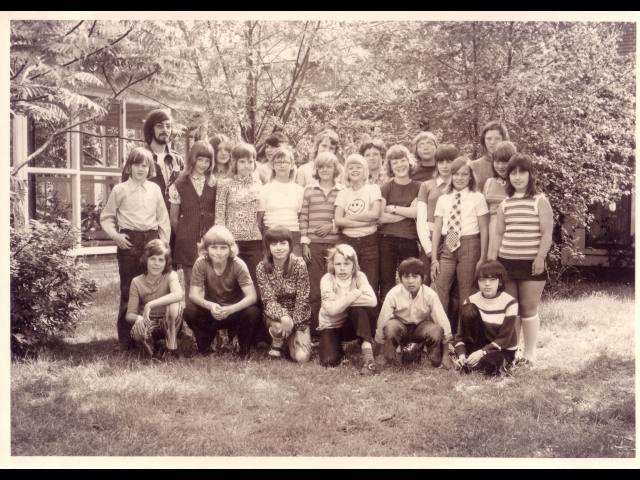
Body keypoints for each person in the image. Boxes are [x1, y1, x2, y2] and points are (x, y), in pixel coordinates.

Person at [101, 147, 171, 351]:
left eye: (145, 165)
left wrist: (163, 245)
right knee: (128, 288)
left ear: (150, 168)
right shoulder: (120, 189)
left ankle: (153, 333)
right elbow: (106, 217)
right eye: (137, 164)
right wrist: (115, 235)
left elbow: (163, 219)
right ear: (129, 167)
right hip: (129, 241)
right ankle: (125, 338)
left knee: (154, 287)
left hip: (151, 239)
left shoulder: (155, 189)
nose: (141, 169)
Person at [489, 153, 552, 367]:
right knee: (511, 309)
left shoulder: (540, 201)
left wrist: (540, 257)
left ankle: (530, 354)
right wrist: (492, 261)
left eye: (522, 172)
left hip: (532, 263)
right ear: (507, 177)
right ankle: (511, 352)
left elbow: (546, 234)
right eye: (513, 173)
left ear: (531, 175)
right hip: (507, 263)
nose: (517, 177)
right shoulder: (505, 204)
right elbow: (498, 234)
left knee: (528, 309)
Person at [431, 157, 489, 335]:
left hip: (470, 245)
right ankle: (439, 334)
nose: (460, 178)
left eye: (464, 174)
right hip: (447, 246)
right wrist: (434, 258)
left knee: (467, 291)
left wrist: (482, 258)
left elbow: (484, 229)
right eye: (456, 174)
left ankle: (462, 337)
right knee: (439, 288)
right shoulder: (444, 199)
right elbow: (437, 229)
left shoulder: (477, 198)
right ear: (451, 175)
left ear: (471, 177)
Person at [183, 226, 261, 357]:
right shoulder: (201, 263)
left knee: (253, 312)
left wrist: (230, 309)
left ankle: (240, 344)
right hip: (213, 312)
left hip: (234, 312)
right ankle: (209, 343)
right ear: (206, 249)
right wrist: (210, 306)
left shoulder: (238, 264)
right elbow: (193, 295)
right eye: (214, 247)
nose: (218, 252)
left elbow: (252, 296)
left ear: (231, 249)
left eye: (223, 248)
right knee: (190, 311)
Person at [122, 109, 184, 263]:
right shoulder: (138, 158)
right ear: (151, 129)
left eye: (168, 126)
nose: (165, 130)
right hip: (146, 230)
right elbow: (125, 195)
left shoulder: (177, 160)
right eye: (160, 126)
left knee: (168, 276)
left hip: (172, 228)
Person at [375, 258, 453, 368]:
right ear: (400, 278)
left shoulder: (430, 295)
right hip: (401, 327)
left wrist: (446, 355)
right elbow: (382, 321)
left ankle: (433, 359)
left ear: (423, 278)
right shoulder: (393, 294)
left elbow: (442, 322)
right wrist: (381, 353)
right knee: (390, 326)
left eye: (415, 277)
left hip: (421, 328)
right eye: (406, 277)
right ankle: (390, 358)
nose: (410, 281)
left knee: (436, 329)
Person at [299, 152, 346, 336]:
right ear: (316, 169)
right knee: (315, 288)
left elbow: (345, 218)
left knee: (335, 286)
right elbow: (303, 217)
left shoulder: (342, 190)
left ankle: (334, 330)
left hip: (335, 246)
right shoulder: (309, 190)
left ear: (336, 169)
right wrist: (304, 244)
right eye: (321, 166)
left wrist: (332, 226)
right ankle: (316, 331)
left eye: (329, 166)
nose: (325, 170)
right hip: (314, 246)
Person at [168, 140, 216, 306]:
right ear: (192, 159)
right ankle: (193, 324)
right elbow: (174, 219)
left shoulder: (214, 183)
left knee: (212, 284)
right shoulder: (179, 184)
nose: (203, 164)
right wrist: (185, 234)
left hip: (211, 243)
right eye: (200, 159)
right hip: (188, 242)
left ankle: (211, 325)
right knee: (191, 284)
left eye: (207, 160)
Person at [317, 244, 378, 374]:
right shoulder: (327, 279)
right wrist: (354, 294)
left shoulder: (359, 276)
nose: (343, 268)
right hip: (331, 326)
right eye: (338, 264)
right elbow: (331, 310)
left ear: (354, 265)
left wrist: (338, 298)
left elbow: (372, 301)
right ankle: (336, 346)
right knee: (329, 361)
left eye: (347, 263)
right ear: (332, 264)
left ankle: (369, 361)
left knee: (359, 311)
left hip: (351, 324)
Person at [256, 226, 312, 363]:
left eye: (283, 243)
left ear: (290, 245)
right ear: (268, 247)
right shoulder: (262, 268)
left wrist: (299, 328)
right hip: (276, 317)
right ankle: (278, 342)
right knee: (278, 326)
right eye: (274, 244)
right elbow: (268, 300)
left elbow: (303, 298)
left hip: (299, 315)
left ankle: (291, 340)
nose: (279, 248)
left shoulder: (299, 264)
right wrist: (284, 317)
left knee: (301, 358)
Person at [454, 260, 518, 376]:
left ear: (500, 281)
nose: (487, 283)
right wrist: (461, 354)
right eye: (482, 279)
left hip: (502, 349)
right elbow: (460, 335)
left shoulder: (510, 303)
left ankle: (505, 363)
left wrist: (482, 353)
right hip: (479, 347)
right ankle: (468, 360)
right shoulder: (470, 301)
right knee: (469, 310)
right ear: (477, 281)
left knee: (489, 364)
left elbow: (504, 340)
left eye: (492, 279)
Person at [334, 154, 382, 303]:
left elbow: (374, 214)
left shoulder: (373, 189)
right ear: (346, 172)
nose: (354, 170)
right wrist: (364, 221)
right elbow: (338, 220)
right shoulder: (343, 193)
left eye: (358, 167)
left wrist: (349, 218)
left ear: (365, 171)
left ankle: (370, 324)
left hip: (369, 242)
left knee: (370, 285)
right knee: (347, 286)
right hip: (348, 242)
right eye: (350, 167)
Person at [215, 142, 263, 289]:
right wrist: (223, 241)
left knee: (255, 281)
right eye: (242, 161)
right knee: (231, 282)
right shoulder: (224, 184)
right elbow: (219, 213)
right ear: (234, 162)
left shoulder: (259, 184)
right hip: (232, 242)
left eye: (250, 161)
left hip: (254, 240)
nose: (247, 165)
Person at [378, 145, 422, 303]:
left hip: (410, 240)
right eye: (394, 162)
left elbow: (418, 213)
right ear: (389, 166)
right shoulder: (386, 188)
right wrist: (407, 212)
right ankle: (386, 320)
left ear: (409, 162)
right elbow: (381, 217)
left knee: (411, 282)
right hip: (387, 239)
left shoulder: (419, 187)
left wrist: (394, 209)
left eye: (403, 160)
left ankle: (411, 317)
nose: (399, 165)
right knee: (386, 282)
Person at [126, 239, 184, 359]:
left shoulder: (170, 275)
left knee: (174, 306)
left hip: (169, 321)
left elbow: (178, 294)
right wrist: (138, 318)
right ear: (145, 260)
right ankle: (151, 344)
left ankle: (171, 349)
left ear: (166, 262)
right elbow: (129, 314)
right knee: (138, 332)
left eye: (161, 260)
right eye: (152, 259)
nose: (156, 263)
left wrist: (150, 304)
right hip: (150, 322)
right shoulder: (136, 281)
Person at [416, 144, 459, 284]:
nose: (445, 166)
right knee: (428, 281)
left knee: (450, 284)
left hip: (454, 237)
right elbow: (421, 220)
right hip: (431, 238)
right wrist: (428, 249)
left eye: (449, 161)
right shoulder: (427, 186)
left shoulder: (461, 186)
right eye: (441, 162)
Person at [257, 147, 304, 257]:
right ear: (273, 165)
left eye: (286, 162)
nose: (282, 165)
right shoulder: (264, 189)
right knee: (270, 270)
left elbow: (300, 215)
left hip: (293, 234)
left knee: (296, 268)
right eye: (278, 162)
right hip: (271, 234)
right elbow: (259, 220)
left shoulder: (299, 190)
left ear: (292, 165)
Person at [483, 141, 516, 257]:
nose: (500, 166)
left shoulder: (518, 184)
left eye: (505, 162)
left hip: (510, 234)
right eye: (497, 161)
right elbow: (484, 214)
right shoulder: (489, 183)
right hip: (490, 233)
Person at [470, 121, 510, 191]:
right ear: (484, 140)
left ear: (504, 140)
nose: (492, 142)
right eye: (489, 139)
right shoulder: (474, 166)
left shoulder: (513, 165)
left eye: (497, 138)